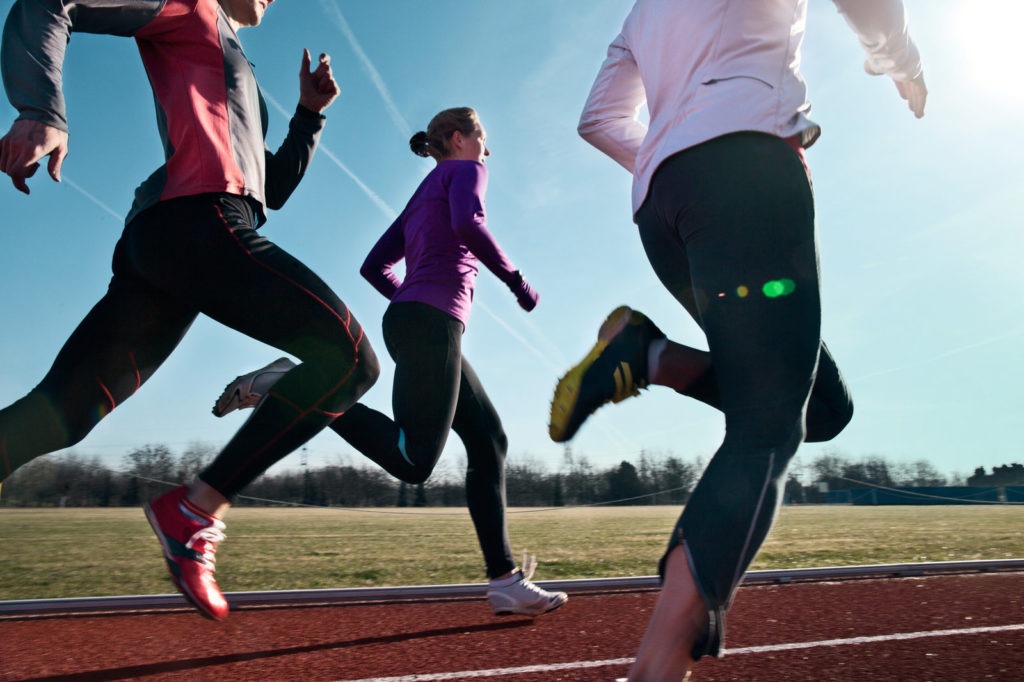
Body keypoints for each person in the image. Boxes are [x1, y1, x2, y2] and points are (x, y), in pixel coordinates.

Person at [549, 1, 926, 678]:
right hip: (746, 177)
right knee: (766, 430)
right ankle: (657, 664)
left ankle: (649, 356)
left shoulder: (642, 13)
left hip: (664, 210)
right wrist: (901, 61)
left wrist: (673, 145)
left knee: (822, 410)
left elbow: (596, 119)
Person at [0, 0, 380, 622]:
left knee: (62, 413)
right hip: (195, 221)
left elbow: (268, 189)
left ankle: (193, 510)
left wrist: (309, 116)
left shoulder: (232, 53)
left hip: (175, 241)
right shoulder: (191, 6)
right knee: (349, 360)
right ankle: (194, 510)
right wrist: (41, 110)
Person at [212, 107, 568, 617]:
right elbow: (468, 223)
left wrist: (411, 300)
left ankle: (504, 581)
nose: (488, 151)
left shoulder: (423, 192)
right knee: (414, 461)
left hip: (418, 320)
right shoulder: (467, 172)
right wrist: (515, 281)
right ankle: (289, 382)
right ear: (458, 138)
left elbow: (374, 266)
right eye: (482, 138)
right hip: (430, 323)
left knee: (489, 441)